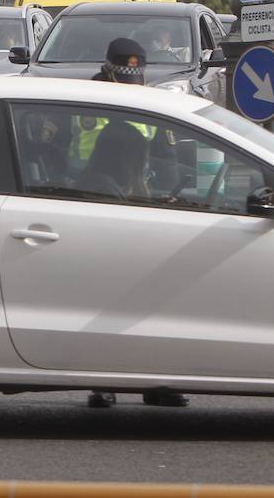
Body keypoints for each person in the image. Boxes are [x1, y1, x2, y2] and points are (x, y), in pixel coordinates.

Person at [81, 37, 188, 410]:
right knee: (105, 302)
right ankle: (104, 382)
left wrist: (171, 187)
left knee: (153, 302)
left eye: (136, 74)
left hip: (143, 204)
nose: (132, 80)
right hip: (91, 203)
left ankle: (157, 382)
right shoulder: (84, 100)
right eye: (125, 74)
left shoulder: (147, 97)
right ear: (109, 68)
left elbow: (166, 154)